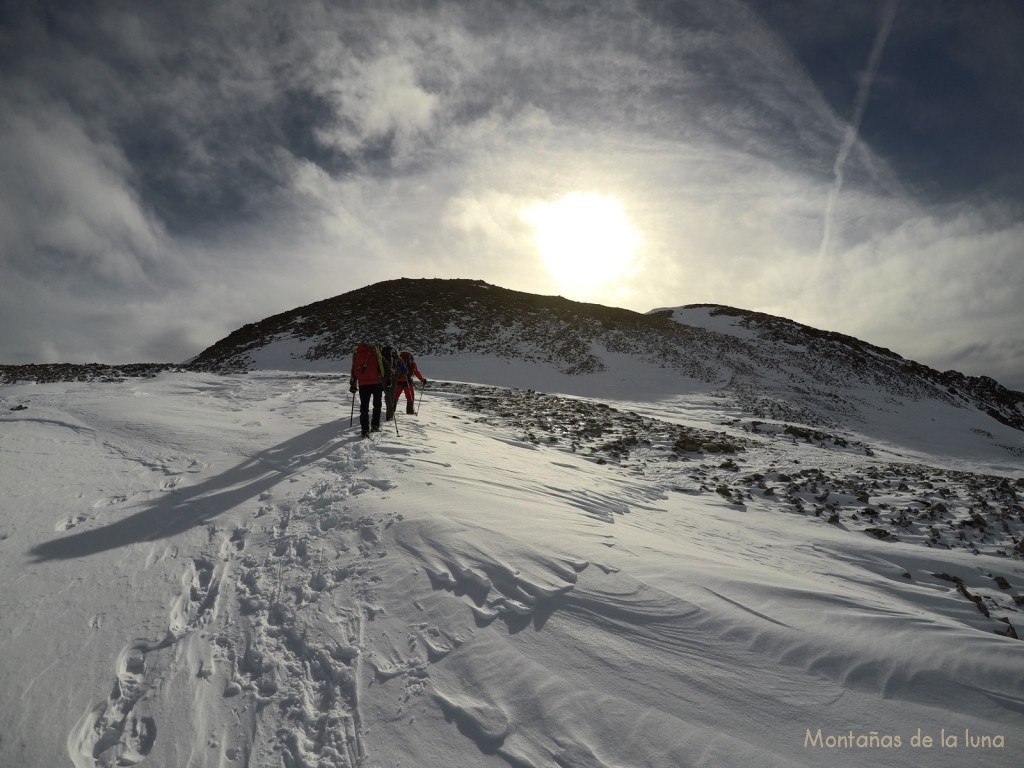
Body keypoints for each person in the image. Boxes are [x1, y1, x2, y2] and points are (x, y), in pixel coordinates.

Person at [350, 343, 385, 437]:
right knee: (377, 405)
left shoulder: (357, 352)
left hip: (362, 384)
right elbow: (381, 365)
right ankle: (375, 426)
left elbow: (354, 369)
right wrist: (384, 378)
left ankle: (364, 430)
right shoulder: (375, 351)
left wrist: (353, 383)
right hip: (376, 382)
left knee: (364, 407)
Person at [393, 350, 427, 415]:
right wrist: (422, 380)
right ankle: (410, 411)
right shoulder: (412, 363)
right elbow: (416, 372)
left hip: (398, 381)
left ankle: (392, 410)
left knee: (395, 396)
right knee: (410, 397)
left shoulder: (397, 361)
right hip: (408, 381)